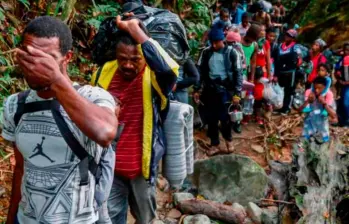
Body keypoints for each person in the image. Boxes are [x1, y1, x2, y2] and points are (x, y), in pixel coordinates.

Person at [3, 16, 118, 224]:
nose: (36, 65)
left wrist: (56, 80)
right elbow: (22, 168)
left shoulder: (93, 98)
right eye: (30, 55)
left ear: (67, 57)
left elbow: (105, 133)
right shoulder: (15, 105)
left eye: (47, 58)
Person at [91, 15, 179, 224]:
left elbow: (169, 71)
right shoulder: (103, 72)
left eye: (135, 60)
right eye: (123, 59)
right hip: (109, 168)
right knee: (110, 219)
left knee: (145, 218)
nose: (128, 65)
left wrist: (136, 30)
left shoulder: (154, 77)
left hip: (141, 169)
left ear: (145, 57)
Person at [194, 21, 243, 155]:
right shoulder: (205, 53)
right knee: (211, 119)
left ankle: (229, 141)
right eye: (212, 42)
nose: (215, 45)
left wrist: (237, 93)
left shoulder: (232, 53)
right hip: (210, 90)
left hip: (226, 90)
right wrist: (197, 89)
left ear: (223, 40)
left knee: (225, 118)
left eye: (217, 42)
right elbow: (199, 71)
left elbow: (238, 73)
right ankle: (214, 144)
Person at [299, 76, 337, 143]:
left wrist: (324, 104)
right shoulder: (309, 95)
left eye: (319, 88)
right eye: (315, 88)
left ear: (325, 88)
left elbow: (333, 115)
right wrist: (307, 101)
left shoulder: (327, 97)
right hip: (308, 129)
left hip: (322, 131)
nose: (316, 90)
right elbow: (299, 110)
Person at [274, 29, 302, 114]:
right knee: (282, 89)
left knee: (289, 90)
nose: (287, 37)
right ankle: (282, 107)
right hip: (281, 71)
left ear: (293, 38)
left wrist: (297, 63)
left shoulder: (295, 47)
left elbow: (299, 59)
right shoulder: (280, 46)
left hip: (291, 72)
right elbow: (276, 59)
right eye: (286, 35)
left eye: (289, 36)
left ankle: (287, 108)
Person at [335, 43, 349, 126]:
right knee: (341, 102)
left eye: (348, 50)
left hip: (346, 84)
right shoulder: (341, 60)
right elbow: (337, 70)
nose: (346, 52)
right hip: (342, 84)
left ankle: (347, 120)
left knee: (346, 103)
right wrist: (339, 78)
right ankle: (342, 121)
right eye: (345, 50)